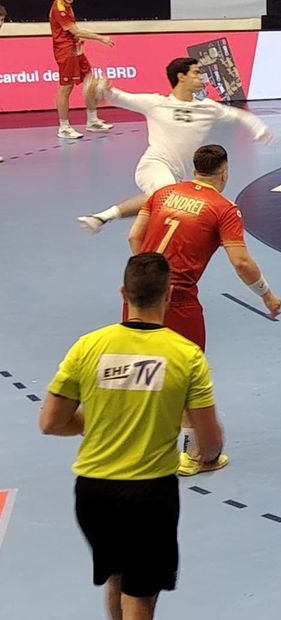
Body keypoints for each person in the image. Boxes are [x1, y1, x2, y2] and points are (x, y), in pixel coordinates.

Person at [39, 252, 223, 620]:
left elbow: (51, 422)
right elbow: (210, 440)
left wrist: (102, 421)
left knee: (117, 578)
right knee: (141, 596)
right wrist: (208, 455)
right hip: (149, 493)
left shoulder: (88, 346)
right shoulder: (186, 355)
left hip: (93, 491)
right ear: (169, 294)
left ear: (124, 293)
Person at [129, 144, 281, 471]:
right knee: (187, 374)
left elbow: (134, 237)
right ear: (224, 173)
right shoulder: (223, 208)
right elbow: (241, 262)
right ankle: (193, 456)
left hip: (139, 291)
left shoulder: (163, 193)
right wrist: (266, 295)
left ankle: (138, 445)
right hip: (177, 298)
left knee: (144, 367)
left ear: (194, 168)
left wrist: (147, 273)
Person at [77, 57, 273, 234]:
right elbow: (117, 96)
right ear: (181, 76)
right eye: (196, 73)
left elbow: (240, 115)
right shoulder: (155, 103)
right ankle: (103, 219)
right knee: (166, 195)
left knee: (166, 202)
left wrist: (260, 130)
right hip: (154, 165)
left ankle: (103, 220)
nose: (202, 78)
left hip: (179, 174)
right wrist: (100, 88)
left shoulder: (208, 108)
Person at [48, 0, 114, 140]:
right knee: (66, 89)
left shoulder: (68, 6)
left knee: (90, 81)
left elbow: (73, 34)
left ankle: (92, 121)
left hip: (76, 50)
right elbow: (76, 31)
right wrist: (100, 38)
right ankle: (63, 127)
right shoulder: (60, 8)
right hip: (66, 52)